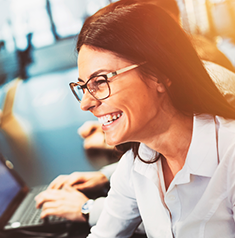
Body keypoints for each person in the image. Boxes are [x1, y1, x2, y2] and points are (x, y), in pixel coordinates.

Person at [5, 3, 235, 238]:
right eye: (83, 86)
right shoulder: (140, 159)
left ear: (159, 73)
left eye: (100, 82)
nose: (86, 103)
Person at [36, 0, 235, 226]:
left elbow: (187, 213)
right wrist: (108, 173)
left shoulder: (213, 84)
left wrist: (88, 209)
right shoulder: (149, 146)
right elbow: (165, 147)